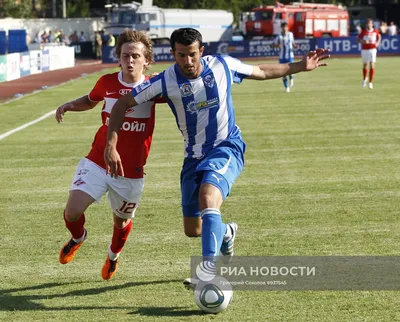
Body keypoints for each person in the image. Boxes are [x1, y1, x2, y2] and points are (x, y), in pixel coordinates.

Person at [104, 28, 329, 289]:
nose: (187, 62)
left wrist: (300, 66)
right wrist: (112, 145)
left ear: (201, 51)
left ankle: (207, 274)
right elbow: (122, 104)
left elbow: (262, 71)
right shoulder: (165, 81)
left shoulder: (222, 65)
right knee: (194, 230)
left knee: (208, 198)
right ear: (173, 54)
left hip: (226, 147)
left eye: (191, 55)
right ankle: (227, 232)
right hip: (192, 157)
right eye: (180, 56)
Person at [56, 29, 164, 280]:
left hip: (131, 171)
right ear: (119, 57)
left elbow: (181, 93)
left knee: (121, 222)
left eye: (136, 56)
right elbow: (92, 99)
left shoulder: (154, 87)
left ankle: (113, 256)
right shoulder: (107, 82)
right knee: (72, 211)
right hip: (97, 160)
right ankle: (78, 237)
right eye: (125, 55)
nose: (130, 61)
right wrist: (72, 104)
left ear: (146, 60)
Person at [272, 22, 299, 92]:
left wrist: (295, 46)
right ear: (281, 28)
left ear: (287, 27)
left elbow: (292, 43)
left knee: (291, 69)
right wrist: (277, 45)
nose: (284, 28)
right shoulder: (279, 36)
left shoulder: (290, 34)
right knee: (282, 73)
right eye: (283, 27)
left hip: (290, 56)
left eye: (286, 27)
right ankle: (287, 87)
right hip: (282, 57)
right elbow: (272, 45)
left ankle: (291, 77)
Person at [357, 18, 381, 89]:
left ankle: (370, 82)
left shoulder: (375, 31)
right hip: (365, 49)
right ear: (366, 24)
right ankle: (364, 79)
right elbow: (357, 39)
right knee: (365, 65)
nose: (369, 24)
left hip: (373, 49)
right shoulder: (363, 32)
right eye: (367, 23)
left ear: (372, 24)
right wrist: (362, 42)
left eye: (370, 23)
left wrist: (377, 43)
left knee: (372, 64)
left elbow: (379, 37)